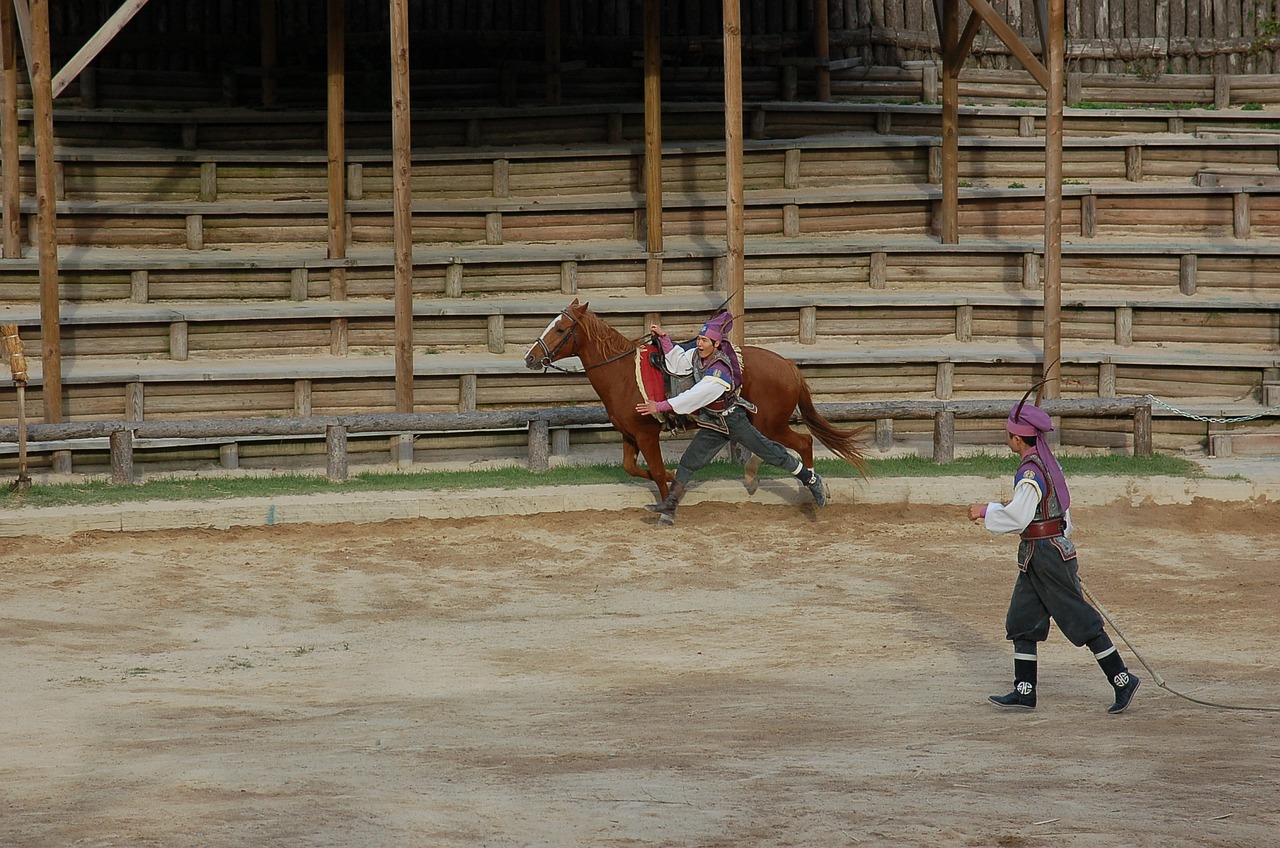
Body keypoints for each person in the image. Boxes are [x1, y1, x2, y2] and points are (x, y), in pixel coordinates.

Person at [966, 398, 1141, 714]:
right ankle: (1025, 691)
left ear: (1018, 439)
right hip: (1039, 555)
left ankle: (1121, 679)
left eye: (1009, 435)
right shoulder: (1046, 463)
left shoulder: (1031, 472)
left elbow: (1019, 517)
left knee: (1080, 620)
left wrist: (985, 511)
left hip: (1046, 556)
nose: (1007, 439)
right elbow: (1060, 512)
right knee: (1022, 621)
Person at [634, 311, 827, 525]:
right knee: (689, 461)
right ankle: (670, 506)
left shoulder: (719, 372)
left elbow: (694, 397)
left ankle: (810, 479)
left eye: (704, 340)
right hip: (712, 422)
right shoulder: (698, 356)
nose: (699, 343)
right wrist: (663, 337)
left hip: (732, 420)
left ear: (716, 344)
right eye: (699, 339)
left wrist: (659, 406)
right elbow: (679, 361)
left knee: (772, 453)